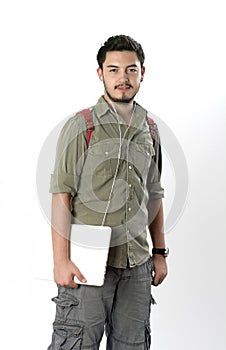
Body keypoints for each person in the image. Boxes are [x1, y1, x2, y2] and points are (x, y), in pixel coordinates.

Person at [48, 35, 168, 349]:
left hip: (137, 266)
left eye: (131, 70)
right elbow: (61, 193)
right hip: (87, 265)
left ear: (143, 72)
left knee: (132, 345)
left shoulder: (150, 130)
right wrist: (61, 261)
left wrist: (159, 253)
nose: (123, 78)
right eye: (113, 70)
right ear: (100, 73)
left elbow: (154, 195)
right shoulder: (81, 126)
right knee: (75, 344)